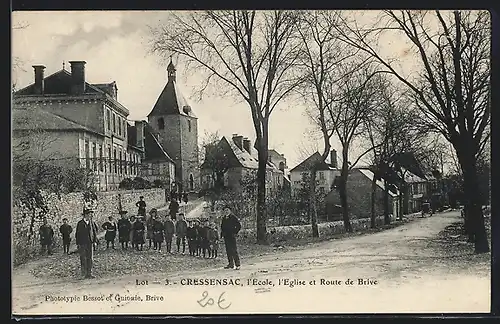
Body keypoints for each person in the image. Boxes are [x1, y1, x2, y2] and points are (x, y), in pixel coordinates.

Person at [75, 210, 98, 279]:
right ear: (84, 215)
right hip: (82, 243)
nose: (89, 216)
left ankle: (89, 273)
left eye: (90, 215)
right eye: (88, 214)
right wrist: (78, 244)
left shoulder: (92, 223)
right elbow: (77, 234)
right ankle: (83, 274)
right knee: (83, 258)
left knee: (90, 258)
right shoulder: (80, 223)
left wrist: (95, 242)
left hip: (90, 243)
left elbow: (94, 232)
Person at [220, 205, 241, 270]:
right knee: (228, 250)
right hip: (226, 236)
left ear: (230, 211)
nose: (226, 211)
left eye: (227, 210)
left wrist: (235, 232)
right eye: (225, 210)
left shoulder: (233, 217)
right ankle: (231, 264)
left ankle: (237, 264)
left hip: (232, 236)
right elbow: (222, 227)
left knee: (233, 250)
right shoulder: (223, 218)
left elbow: (238, 226)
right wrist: (222, 235)